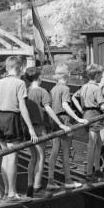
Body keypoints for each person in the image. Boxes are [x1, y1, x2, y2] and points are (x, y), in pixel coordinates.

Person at [0, 56, 38, 203]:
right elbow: (22, 107)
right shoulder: (20, 83)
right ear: (20, 68)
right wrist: (30, 128)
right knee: (12, 158)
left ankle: (6, 191)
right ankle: (12, 193)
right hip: (12, 119)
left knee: (5, 156)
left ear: (6, 68)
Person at [24, 67, 71, 198]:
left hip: (28, 129)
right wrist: (61, 124)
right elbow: (48, 109)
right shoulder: (43, 91)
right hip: (39, 128)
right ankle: (37, 188)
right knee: (41, 157)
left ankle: (29, 186)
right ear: (39, 77)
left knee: (33, 157)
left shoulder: (26, 91)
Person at [47, 64, 88, 190]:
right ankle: (68, 180)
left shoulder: (53, 89)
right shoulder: (65, 89)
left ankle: (50, 181)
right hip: (64, 120)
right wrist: (78, 119)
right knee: (66, 152)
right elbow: (65, 105)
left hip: (55, 121)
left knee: (54, 151)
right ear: (68, 75)